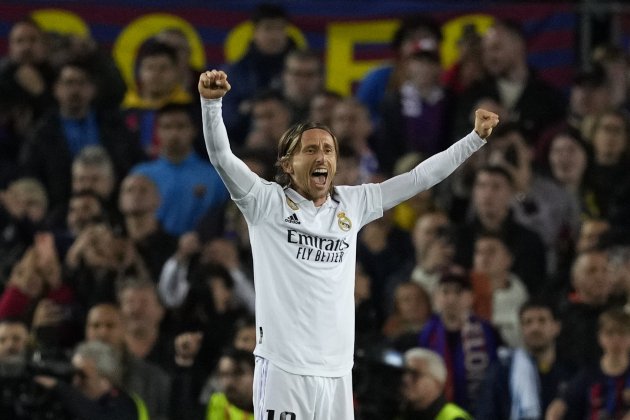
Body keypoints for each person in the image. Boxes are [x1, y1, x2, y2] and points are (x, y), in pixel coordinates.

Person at [198, 69, 498, 419]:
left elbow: (419, 178)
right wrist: (212, 104)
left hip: (338, 371)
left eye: (328, 149)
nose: (322, 156)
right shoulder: (266, 203)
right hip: (284, 368)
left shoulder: (352, 204)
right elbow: (222, 157)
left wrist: (475, 138)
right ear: (287, 164)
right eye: (310, 149)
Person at [476, 299, 573, 420]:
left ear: (556, 327)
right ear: (521, 329)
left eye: (542, 321)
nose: (535, 328)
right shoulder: (501, 372)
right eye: (528, 322)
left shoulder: (572, 372)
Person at [546, 308, 630, 419]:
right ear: (600, 337)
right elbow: (561, 403)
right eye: (610, 333)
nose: (616, 339)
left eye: (622, 333)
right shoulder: (589, 373)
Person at [396, 348, 472, 420]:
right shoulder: (399, 414)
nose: (405, 379)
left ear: (437, 382)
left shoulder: (456, 418)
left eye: (415, 374)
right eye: (402, 373)